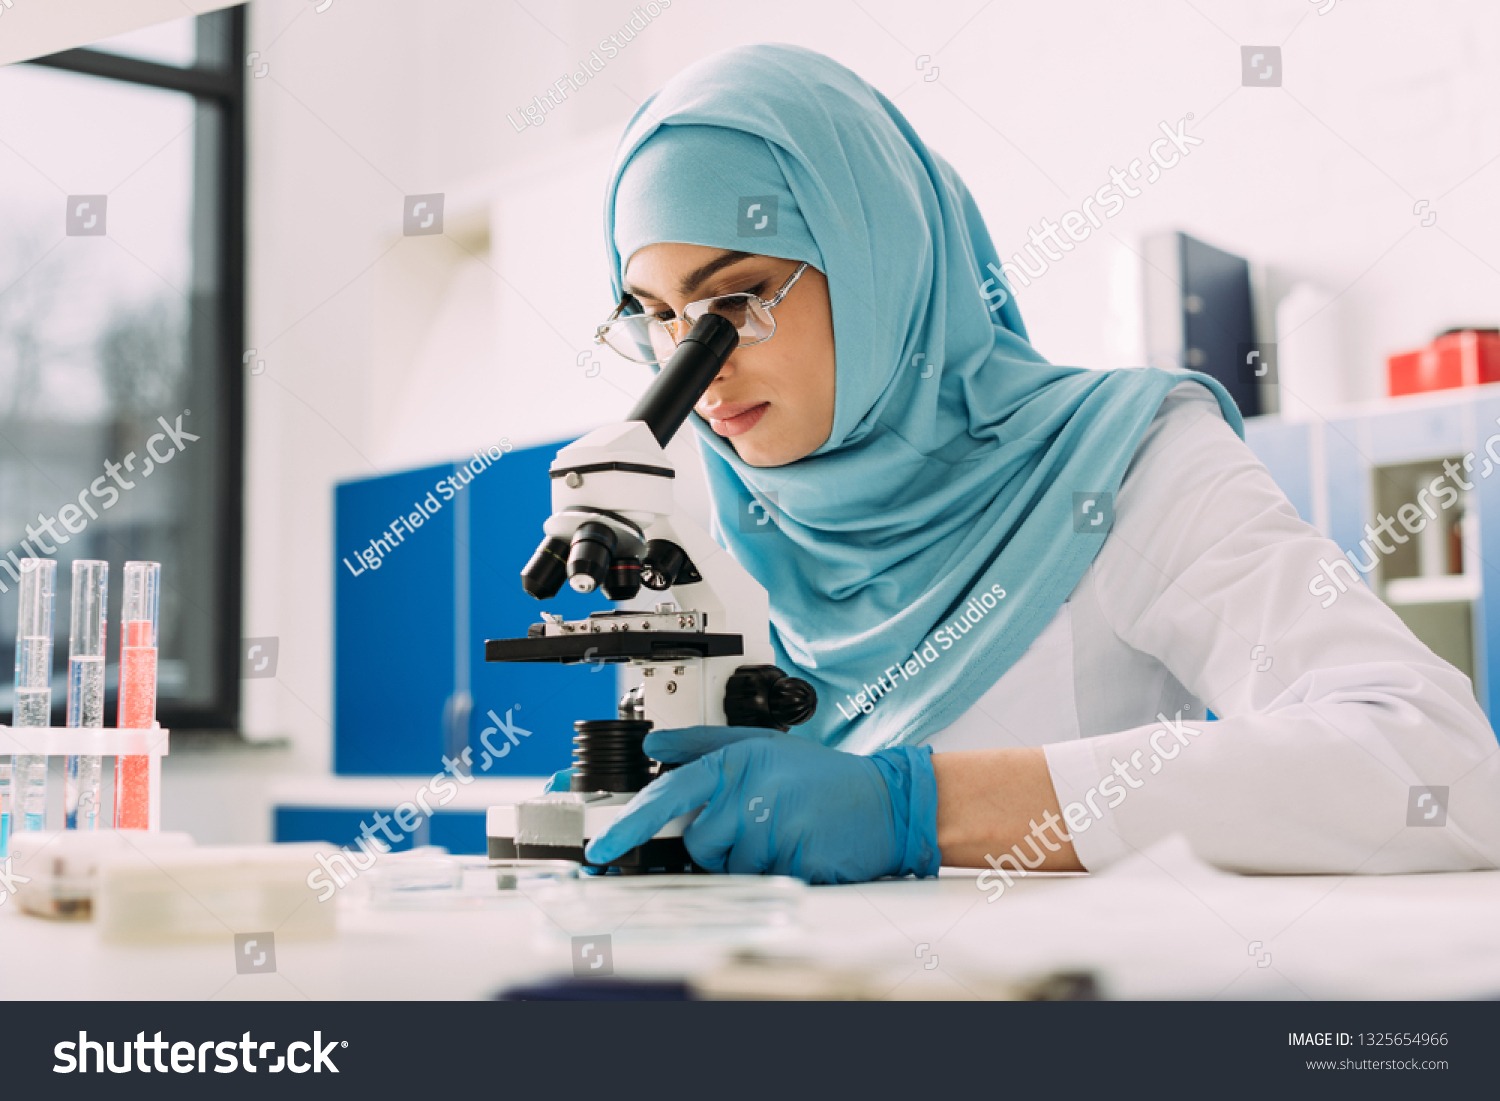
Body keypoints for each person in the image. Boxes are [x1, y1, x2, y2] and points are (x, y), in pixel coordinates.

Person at [578, 43, 1500, 884]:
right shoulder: (719, 516)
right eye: (654, 316)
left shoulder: (1122, 459)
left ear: (877, 258)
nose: (697, 368)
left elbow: (1440, 768)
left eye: (734, 298)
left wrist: (922, 807)